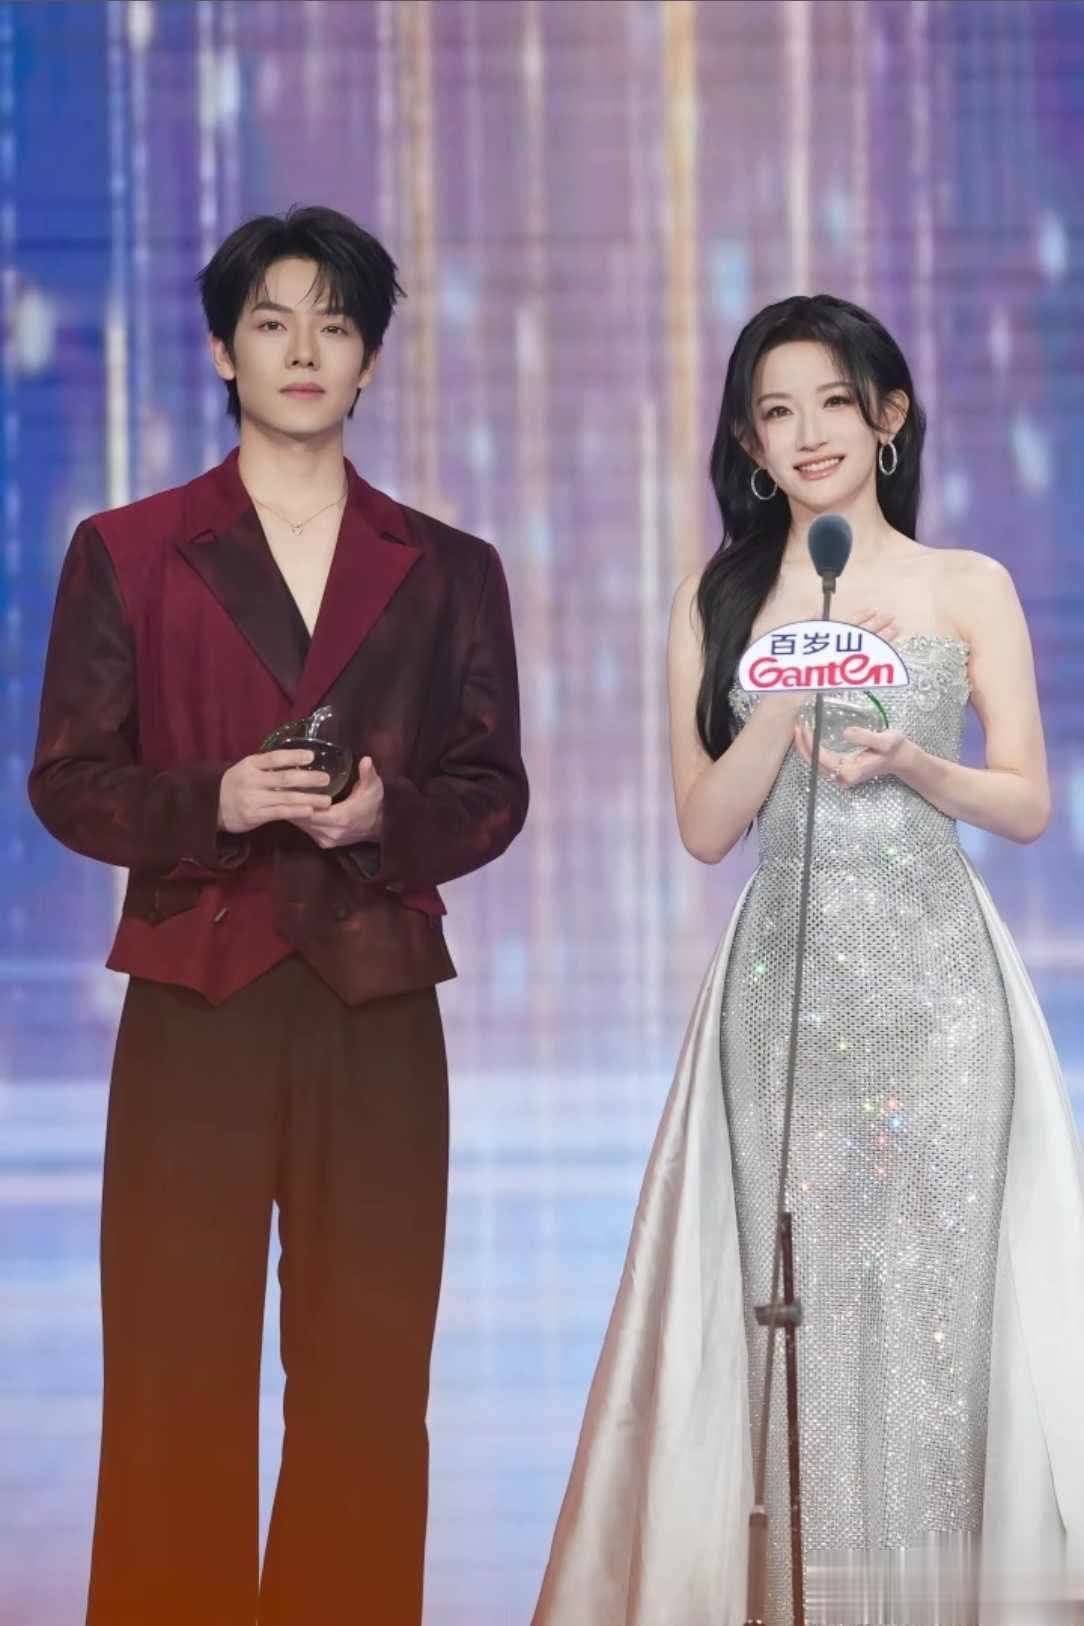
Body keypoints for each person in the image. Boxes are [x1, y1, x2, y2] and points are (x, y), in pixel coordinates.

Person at [533, 294, 1084, 1626]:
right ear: (748, 442)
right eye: (777, 413)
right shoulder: (714, 599)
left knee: (943, 1323)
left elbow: (1027, 802)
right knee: (797, 1319)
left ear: (889, 416)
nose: (809, 433)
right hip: (782, 991)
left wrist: (915, 762)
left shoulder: (969, 585)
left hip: (941, 998)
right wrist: (781, 700)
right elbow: (703, 827)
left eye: (835, 401)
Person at [29, 204, 528, 1626]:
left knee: (368, 1383)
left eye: (335, 323)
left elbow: (494, 788)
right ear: (222, 350)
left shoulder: (448, 565)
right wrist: (217, 801)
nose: (304, 348)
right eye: (272, 321)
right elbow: (68, 781)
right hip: (197, 998)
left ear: (368, 360)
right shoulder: (129, 550)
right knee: (174, 1374)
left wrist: (386, 820)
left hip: (377, 1003)